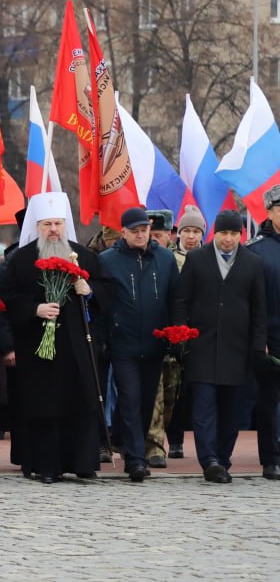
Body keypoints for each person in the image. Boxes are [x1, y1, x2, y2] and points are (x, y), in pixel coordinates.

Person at [0, 192, 107, 483]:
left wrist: (90, 290)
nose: (53, 230)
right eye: (47, 224)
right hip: (37, 347)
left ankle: (82, 462)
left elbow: (108, 292)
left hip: (77, 345)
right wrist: (34, 309)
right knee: (44, 404)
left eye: (58, 223)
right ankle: (47, 465)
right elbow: (5, 298)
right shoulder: (21, 260)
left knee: (80, 401)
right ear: (37, 226)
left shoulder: (83, 257)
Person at [173, 209, 267, 483]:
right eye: (224, 233)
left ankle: (223, 457)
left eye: (234, 233)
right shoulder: (197, 259)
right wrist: (181, 335)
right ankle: (210, 460)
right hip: (201, 346)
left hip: (238, 349)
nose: (228, 239)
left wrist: (257, 346)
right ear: (215, 233)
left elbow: (259, 310)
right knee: (203, 407)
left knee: (231, 409)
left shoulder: (253, 263)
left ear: (241, 234)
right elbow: (181, 301)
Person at [98, 207, 178, 482]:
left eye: (144, 230)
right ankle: (135, 460)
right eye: (135, 231)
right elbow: (102, 303)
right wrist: (105, 336)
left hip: (155, 342)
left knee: (145, 402)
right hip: (123, 343)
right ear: (123, 232)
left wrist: (174, 332)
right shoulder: (108, 260)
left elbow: (174, 297)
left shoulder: (165, 259)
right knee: (130, 398)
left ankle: (131, 444)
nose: (141, 235)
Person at [151, 204, 207, 464]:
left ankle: (178, 440)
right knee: (171, 389)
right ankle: (169, 439)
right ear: (178, 233)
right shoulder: (169, 258)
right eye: (187, 231)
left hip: (200, 332)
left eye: (196, 231)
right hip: (173, 331)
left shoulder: (208, 258)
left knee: (190, 390)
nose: (191, 236)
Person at [246, 185, 280, 480]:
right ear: (269, 212)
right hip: (270, 337)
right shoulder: (256, 251)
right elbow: (251, 302)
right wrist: (260, 340)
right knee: (269, 401)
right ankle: (271, 458)